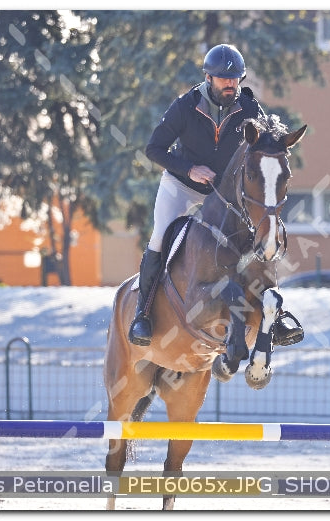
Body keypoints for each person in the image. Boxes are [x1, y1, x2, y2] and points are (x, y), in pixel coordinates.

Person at [128, 43, 304, 348]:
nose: (230, 84)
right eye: (224, 78)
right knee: (159, 237)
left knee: (258, 236)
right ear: (208, 78)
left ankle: (275, 315)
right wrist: (190, 169)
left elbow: (266, 141)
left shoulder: (249, 108)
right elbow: (154, 149)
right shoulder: (185, 106)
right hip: (183, 185)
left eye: (235, 78)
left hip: (224, 194)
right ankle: (142, 314)